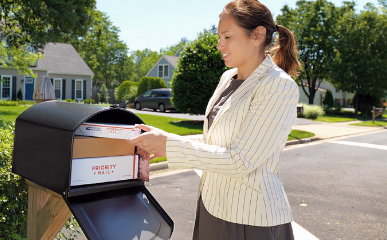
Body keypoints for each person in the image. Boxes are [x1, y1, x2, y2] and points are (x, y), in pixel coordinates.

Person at [128, 0, 301, 239]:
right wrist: (164, 139)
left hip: (250, 218)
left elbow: (241, 160)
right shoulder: (227, 78)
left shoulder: (277, 86)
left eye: (227, 37)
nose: (219, 45)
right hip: (212, 205)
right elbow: (217, 142)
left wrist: (169, 145)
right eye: (219, 37)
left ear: (258, 35)